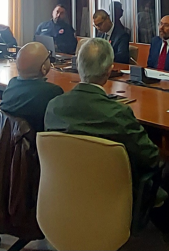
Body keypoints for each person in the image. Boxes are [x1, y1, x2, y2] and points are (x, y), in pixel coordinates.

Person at [45, 38, 161, 213]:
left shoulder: (54, 107)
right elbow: (151, 158)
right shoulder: (118, 114)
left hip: (65, 189)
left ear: (78, 66)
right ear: (109, 71)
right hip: (112, 195)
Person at [0, 42, 64, 132]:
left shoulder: (11, 84)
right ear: (43, 68)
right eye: (48, 57)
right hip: (36, 144)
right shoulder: (53, 92)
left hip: (10, 142)